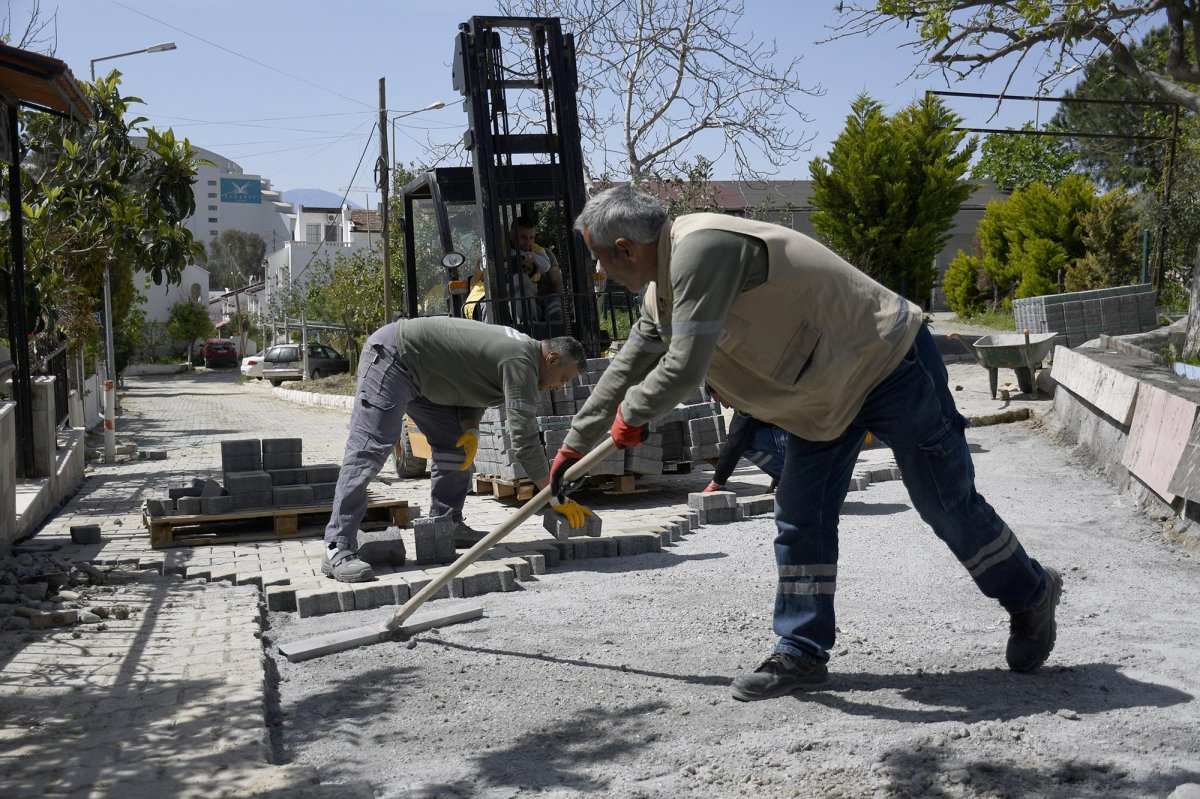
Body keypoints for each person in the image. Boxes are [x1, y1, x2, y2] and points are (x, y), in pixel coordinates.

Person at [549, 186, 1062, 702]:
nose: (600, 272)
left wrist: (634, 415)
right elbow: (626, 368)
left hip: (886, 363)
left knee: (944, 501)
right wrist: (574, 446)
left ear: (625, 248)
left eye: (600, 260)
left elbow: (683, 367)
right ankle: (801, 650)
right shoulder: (659, 295)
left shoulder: (702, 249)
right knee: (801, 512)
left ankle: (1031, 594)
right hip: (822, 398)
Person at [324, 316, 592, 583]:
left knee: (456, 445)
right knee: (370, 449)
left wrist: (470, 429)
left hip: (424, 377)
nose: (560, 387)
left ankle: (446, 524)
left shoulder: (521, 355)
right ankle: (338, 545)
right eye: (563, 378)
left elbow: (472, 387)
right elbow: (524, 440)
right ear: (552, 359)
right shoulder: (521, 361)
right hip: (395, 358)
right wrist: (553, 494)